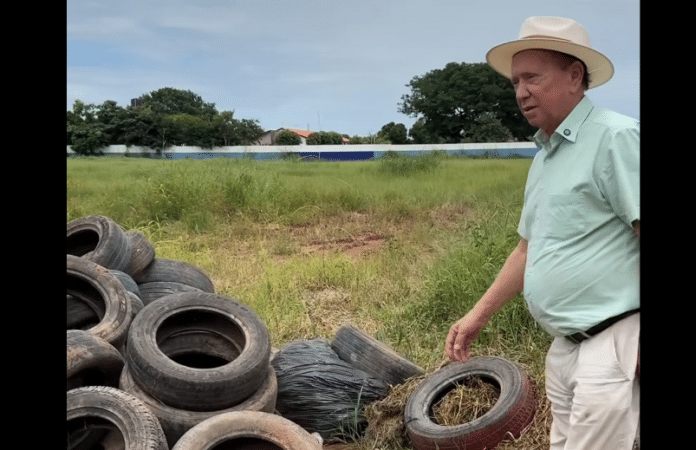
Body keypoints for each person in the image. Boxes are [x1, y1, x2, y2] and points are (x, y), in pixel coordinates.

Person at [444, 16, 639, 450]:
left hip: (612, 342)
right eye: (515, 81)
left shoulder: (615, 138)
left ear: (575, 76)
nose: (520, 92)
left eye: (532, 77)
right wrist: (476, 317)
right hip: (565, 348)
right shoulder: (545, 157)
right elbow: (527, 249)